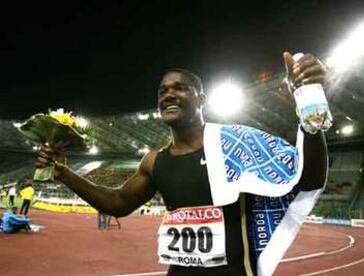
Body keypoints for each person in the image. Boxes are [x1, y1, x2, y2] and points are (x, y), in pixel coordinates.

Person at [36, 52, 328, 276]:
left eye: (180, 88)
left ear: (201, 98)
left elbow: (308, 178)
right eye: (163, 91)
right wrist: (63, 173)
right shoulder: (154, 161)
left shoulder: (235, 144)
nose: (169, 95)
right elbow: (116, 203)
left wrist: (309, 103)